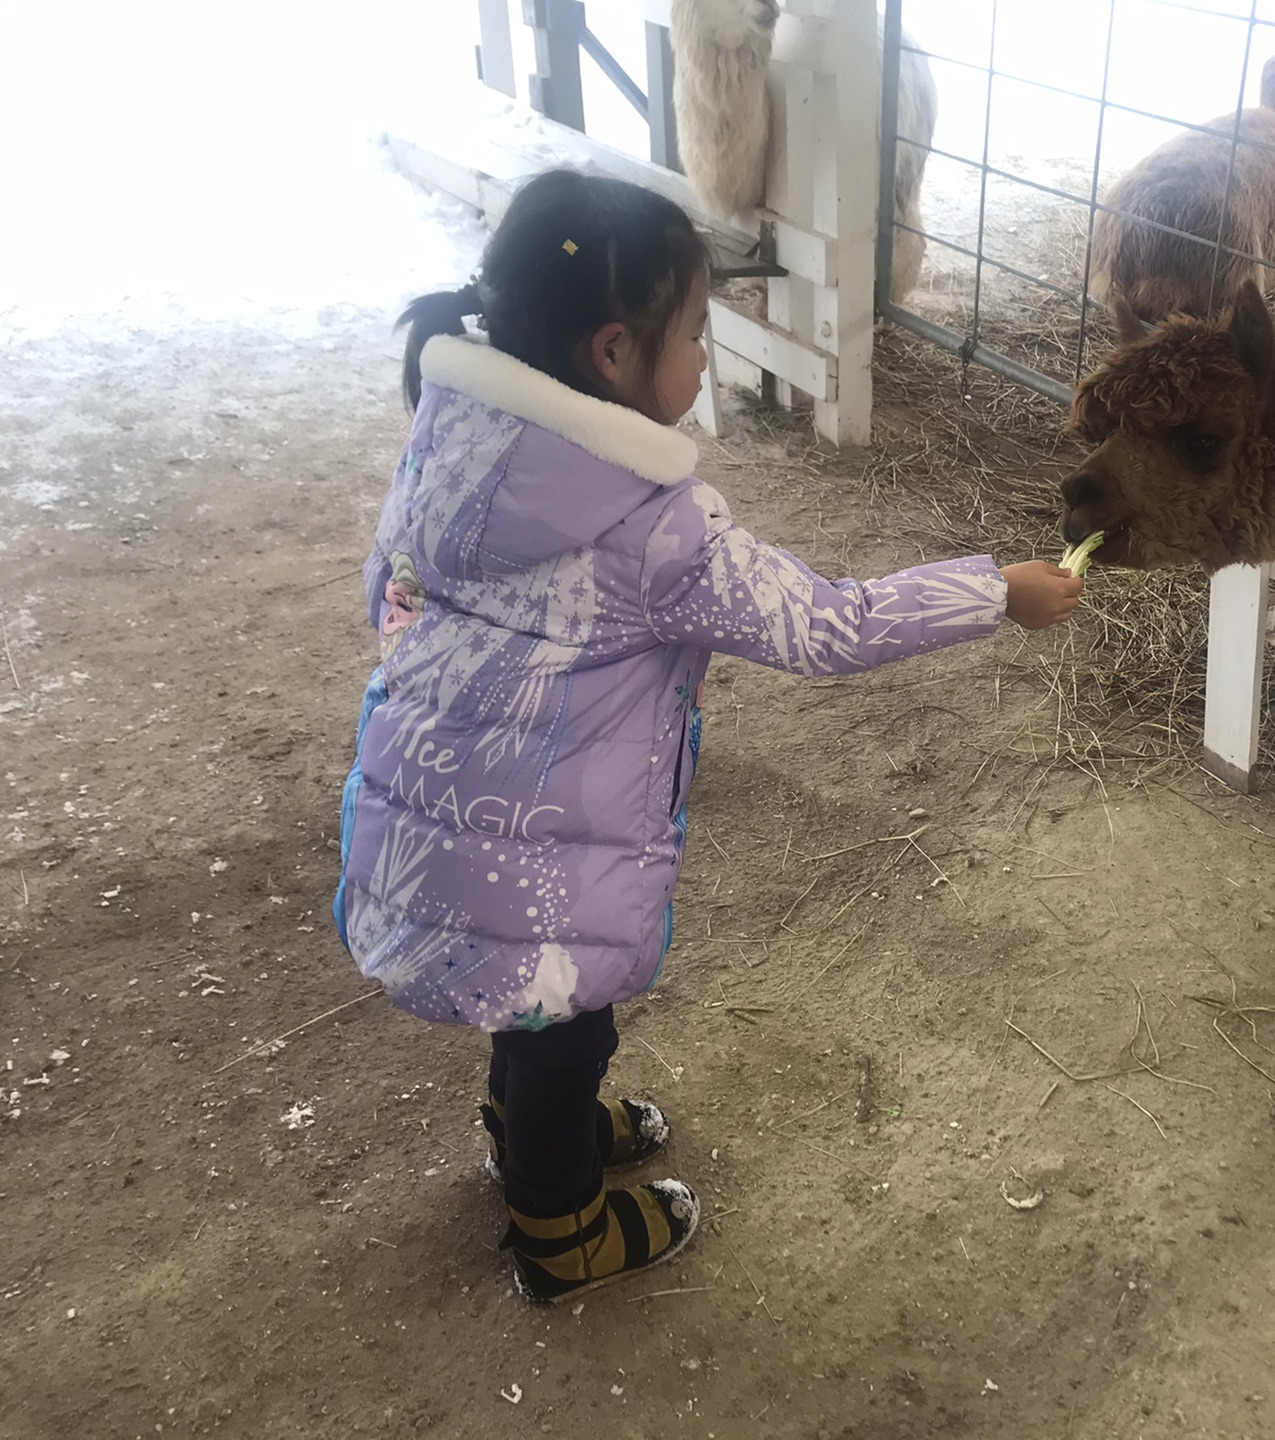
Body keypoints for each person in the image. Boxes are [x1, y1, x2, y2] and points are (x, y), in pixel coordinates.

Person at [332, 168, 1083, 1303]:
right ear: (612, 355)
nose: (705, 361)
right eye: (694, 335)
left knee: (534, 1012)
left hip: (430, 810)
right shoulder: (655, 528)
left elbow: (391, 592)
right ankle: (560, 1233)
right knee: (565, 1027)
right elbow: (831, 625)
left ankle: (534, 1125)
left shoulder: (454, 435)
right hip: (543, 858)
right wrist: (993, 593)